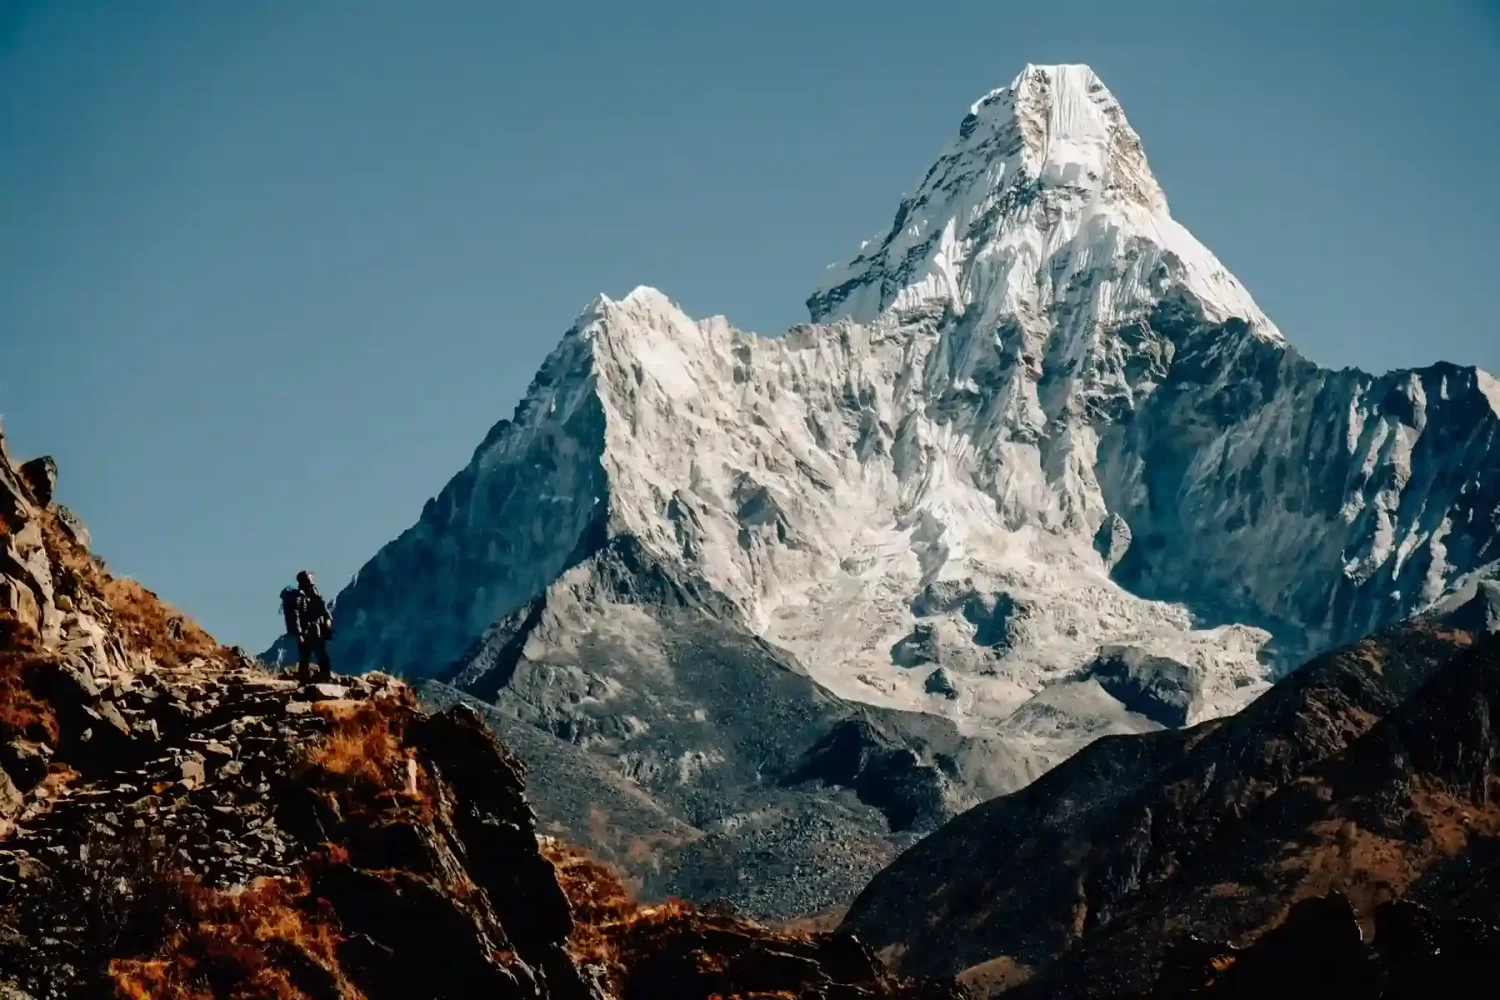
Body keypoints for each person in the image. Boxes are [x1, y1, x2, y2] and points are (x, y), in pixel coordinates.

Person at [280, 570, 333, 683]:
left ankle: (324, 679)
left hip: (315, 631)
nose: (312, 583)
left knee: (318, 656)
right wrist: (299, 634)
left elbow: (323, 607)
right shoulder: (298, 598)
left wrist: (328, 619)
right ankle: (306, 682)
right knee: (307, 658)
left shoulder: (314, 594)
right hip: (306, 632)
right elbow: (295, 616)